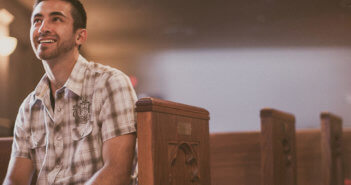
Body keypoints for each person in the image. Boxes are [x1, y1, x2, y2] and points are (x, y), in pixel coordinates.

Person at [3, 0, 138, 184]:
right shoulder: (28, 108)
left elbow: (117, 173)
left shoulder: (110, 84)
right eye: (37, 20)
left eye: (56, 19)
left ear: (80, 36)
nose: (43, 28)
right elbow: (15, 180)